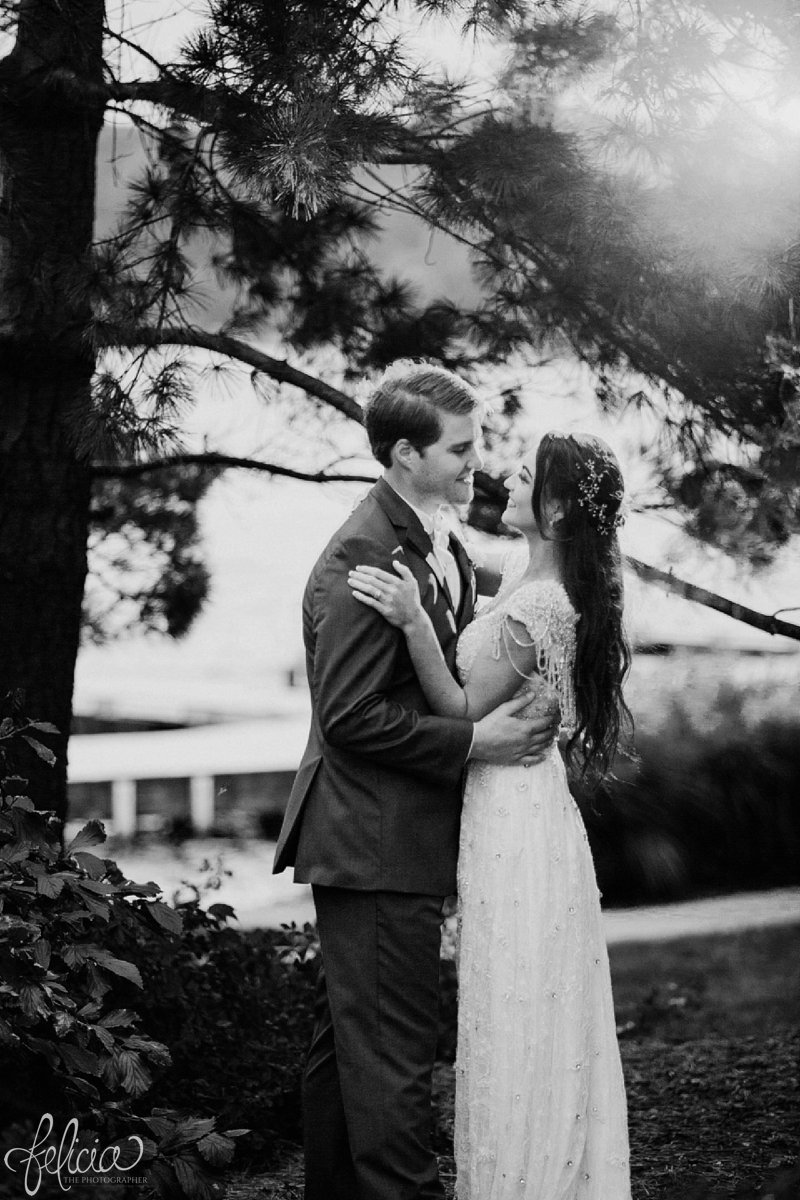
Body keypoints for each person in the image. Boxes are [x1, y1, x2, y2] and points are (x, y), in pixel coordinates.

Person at [272, 361, 560, 1200]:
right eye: (462, 451)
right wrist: (477, 742)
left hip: (386, 839)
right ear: (405, 453)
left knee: (350, 1055)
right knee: (394, 1062)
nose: (481, 465)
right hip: (372, 844)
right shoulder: (361, 560)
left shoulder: (435, 534)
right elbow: (353, 716)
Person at [348, 431, 633, 1200]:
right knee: (527, 1002)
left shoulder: (538, 602)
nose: (508, 474)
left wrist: (412, 620)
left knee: (514, 1008)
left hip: (514, 820)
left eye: (528, 473)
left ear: (561, 505)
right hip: (526, 811)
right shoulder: (525, 580)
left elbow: (459, 706)